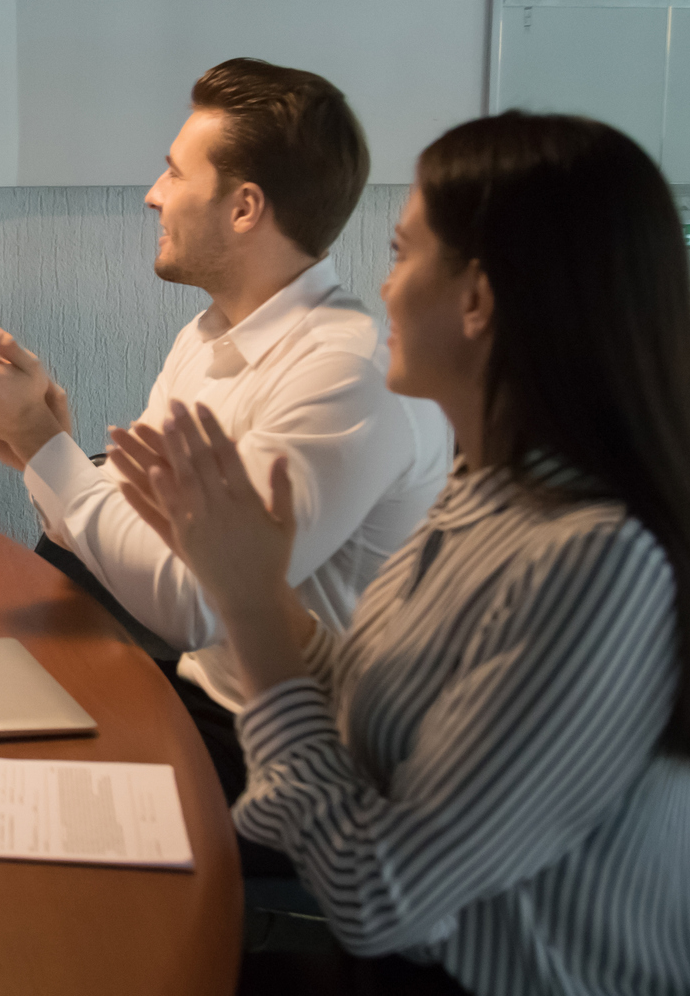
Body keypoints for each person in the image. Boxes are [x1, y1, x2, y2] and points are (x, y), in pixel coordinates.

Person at [112, 112, 690, 996]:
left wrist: (254, 606)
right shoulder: (484, 489)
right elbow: (383, 694)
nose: (380, 292)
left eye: (400, 254)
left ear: (476, 300)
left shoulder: (595, 563)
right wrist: (248, 585)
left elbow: (377, 896)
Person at [0, 59, 448, 813]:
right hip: (199, 692)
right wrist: (35, 447)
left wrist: (42, 445)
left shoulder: (344, 374)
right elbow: (137, 533)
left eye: (173, 173)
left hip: (288, 749)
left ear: (243, 208)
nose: (152, 195)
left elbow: (192, 604)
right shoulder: (206, 334)